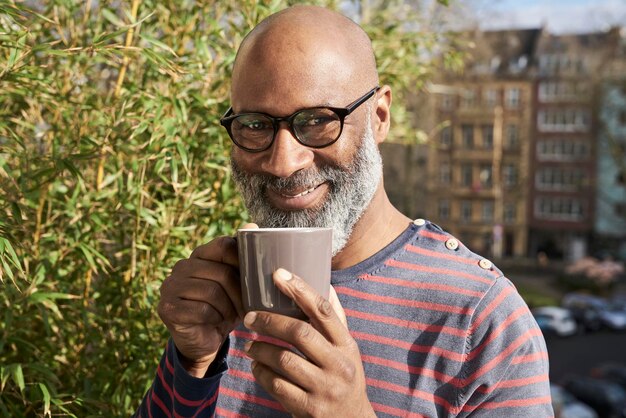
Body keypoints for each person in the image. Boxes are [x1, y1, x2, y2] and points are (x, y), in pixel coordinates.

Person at [135, 5, 553, 417]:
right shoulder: (226, 292)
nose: (284, 162)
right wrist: (191, 367)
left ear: (380, 117)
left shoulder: (481, 322)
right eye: (256, 125)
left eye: (317, 121)